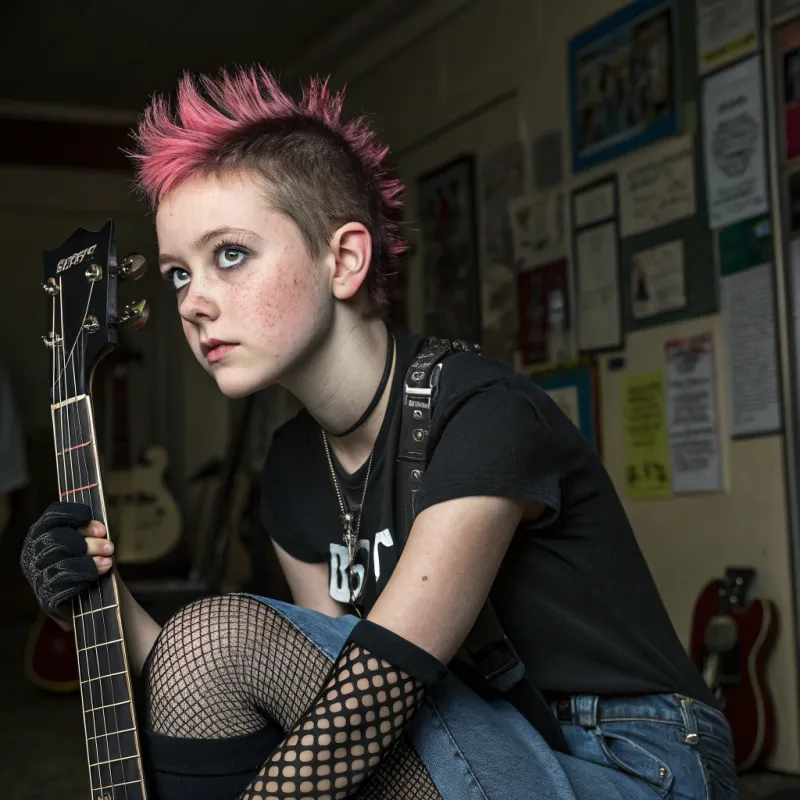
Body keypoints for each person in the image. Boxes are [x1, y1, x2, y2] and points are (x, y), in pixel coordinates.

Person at [20, 66, 738, 800]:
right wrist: (100, 602)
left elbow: (368, 703)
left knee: (224, 637)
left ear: (345, 259)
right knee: (218, 651)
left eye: (228, 254)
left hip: (635, 760)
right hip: (471, 741)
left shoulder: (482, 414)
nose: (195, 302)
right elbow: (282, 691)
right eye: (178, 274)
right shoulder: (294, 467)